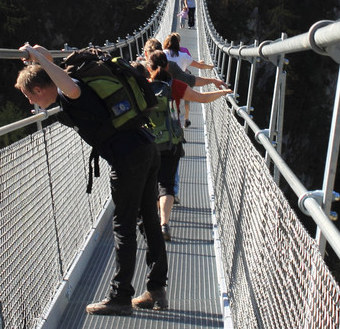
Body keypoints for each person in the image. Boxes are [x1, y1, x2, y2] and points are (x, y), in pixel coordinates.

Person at [16, 44, 168, 315]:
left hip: (128, 157)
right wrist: (45, 58)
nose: (31, 103)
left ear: (39, 89)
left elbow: (69, 86)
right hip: (145, 146)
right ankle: (156, 290)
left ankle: (121, 297)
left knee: (124, 225)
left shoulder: (69, 91)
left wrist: (40, 58)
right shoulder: (64, 86)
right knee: (149, 219)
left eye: (29, 96)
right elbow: (60, 77)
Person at [145, 50, 231, 241]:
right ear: (168, 66)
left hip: (146, 142)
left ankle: (148, 221)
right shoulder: (175, 85)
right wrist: (222, 92)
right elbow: (202, 98)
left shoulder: (142, 86)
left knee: (149, 183)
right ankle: (164, 224)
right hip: (171, 142)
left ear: (148, 68)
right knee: (166, 185)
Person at [163, 32, 215, 127]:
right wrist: (210, 66)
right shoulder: (183, 55)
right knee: (184, 104)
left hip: (165, 85)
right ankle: (184, 121)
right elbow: (199, 66)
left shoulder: (162, 54)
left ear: (166, 43)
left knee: (167, 107)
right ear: (178, 43)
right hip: (180, 85)